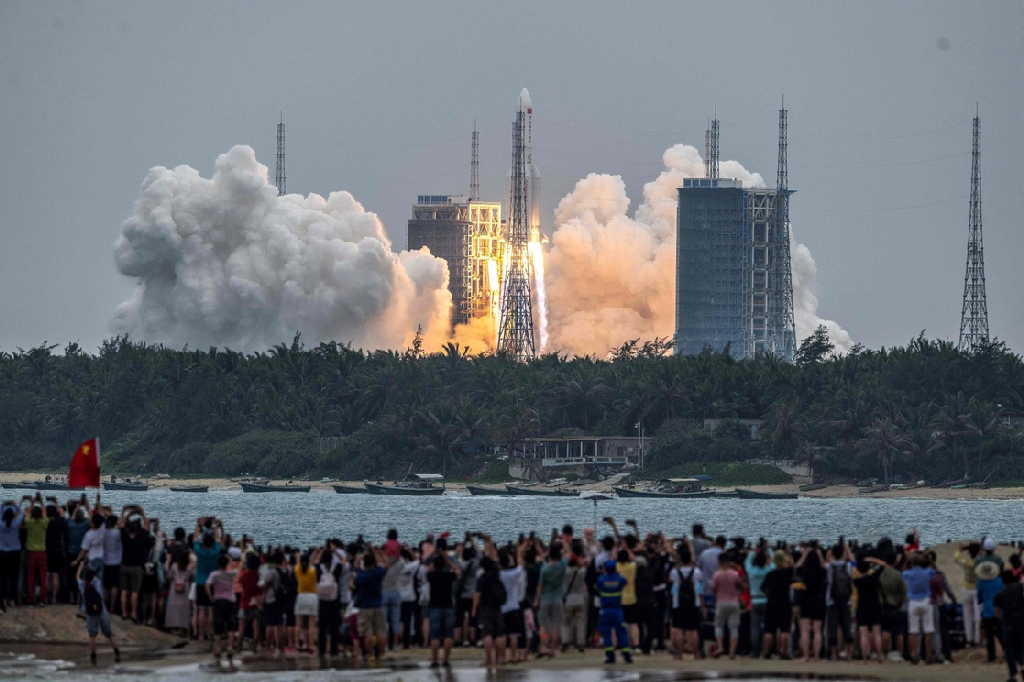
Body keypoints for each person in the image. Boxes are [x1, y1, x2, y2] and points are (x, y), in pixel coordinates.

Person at [473, 538, 507, 668]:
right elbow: (493, 556)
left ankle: (489, 660)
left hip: (485, 607)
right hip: (497, 605)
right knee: (499, 633)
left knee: (487, 634)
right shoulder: (497, 572)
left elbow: (477, 594)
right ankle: (500, 658)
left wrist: (474, 609)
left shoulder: (481, 576)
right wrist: (489, 542)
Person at [78, 563, 121, 665]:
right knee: (109, 634)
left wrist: (80, 567)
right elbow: (102, 594)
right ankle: (117, 652)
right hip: (102, 610)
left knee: (92, 635)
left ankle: (93, 656)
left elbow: (77, 577)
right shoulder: (97, 582)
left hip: (90, 612)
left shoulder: (81, 584)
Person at [352, 544, 388, 664]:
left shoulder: (361, 575)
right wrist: (377, 552)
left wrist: (360, 556)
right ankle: (381, 654)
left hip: (364, 607)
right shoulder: (378, 573)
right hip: (378, 605)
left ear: (365, 563)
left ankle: (370, 655)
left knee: (367, 633)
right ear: (374, 563)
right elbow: (387, 564)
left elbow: (355, 567)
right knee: (380, 632)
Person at [669, 541, 703, 660]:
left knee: (678, 629)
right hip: (694, 603)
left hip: (677, 603)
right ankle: (696, 653)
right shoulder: (697, 572)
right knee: (693, 630)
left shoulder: (674, 572)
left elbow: (670, 581)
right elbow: (699, 589)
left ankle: (679, 654)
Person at [595, 560, 633, 664]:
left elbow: (597, 587)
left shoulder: (601, 580)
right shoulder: (620, 579)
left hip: (605, 610)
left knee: (607, 633)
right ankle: (626, 655)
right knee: (621, 632)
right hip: (617, 610)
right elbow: (625, 582)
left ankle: (610, 656)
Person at [119, 507, 153, 622]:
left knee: (124, 591)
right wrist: (142, 513)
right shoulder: (142, 534)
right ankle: (133, 613)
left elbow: (121, 523)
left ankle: (124, 613)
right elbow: (147, 525)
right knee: (134, 592)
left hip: (124, 565)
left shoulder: (124, 534)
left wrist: (125, 512)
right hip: (137, 567)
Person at [901, 551, 936, 664]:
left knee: (913, 631)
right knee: (928, 629)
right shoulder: (927, 572)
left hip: (913, 602)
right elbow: (934, 569)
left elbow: (903, 570)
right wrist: (928, 559)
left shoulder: (908, 574)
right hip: (926, 600)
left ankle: (914, 654)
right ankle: (928, 656)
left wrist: (907, 560)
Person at [427, 552, 460, 667]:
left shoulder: (431, 575)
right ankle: (446, 660)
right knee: (448, 635)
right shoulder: (449, 576)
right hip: (448, 606)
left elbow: (428, 569)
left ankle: (434, 660)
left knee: (435, 636)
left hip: (435, 606)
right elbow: (457, 571)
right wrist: (448, 561)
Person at [710, 552, 746, 659]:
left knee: (719, 626)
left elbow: (713, 589)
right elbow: (742, 586)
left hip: (721, 602)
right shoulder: (734, 574)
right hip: (734, 603)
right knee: (734, 628)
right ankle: (732, 651)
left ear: (719, 562)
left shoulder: (716, 574)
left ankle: (720, 647)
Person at [192, 519, 223, 641]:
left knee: (200, 609)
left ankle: (200, 635)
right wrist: (215, 527)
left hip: (200, 581)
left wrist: (198, 526)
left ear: (203, 542)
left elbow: (195, 539)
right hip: (212, 583)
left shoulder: (199, 551)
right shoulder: (216, 551)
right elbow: (218, 539)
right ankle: (210, 633)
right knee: (210, 610)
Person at [795, 543, 827, 662]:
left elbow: (796, 566)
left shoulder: (804, 570)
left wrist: (805, 554)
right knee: (818, 630)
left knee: (805, 630)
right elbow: (824, 566)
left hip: (806, 600)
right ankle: (817, 657)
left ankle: (806, 656)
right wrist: (819, 554)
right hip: (818, 600)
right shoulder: (822, 571)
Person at [206, 554, 239, 667]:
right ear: (227, 564)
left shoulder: (214, 574)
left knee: (218, 625)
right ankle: (230, 647)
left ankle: (218, 648)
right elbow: (240, 565)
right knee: (231, 624)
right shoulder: (232, 573)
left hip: (218, 601)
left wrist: (211, 596)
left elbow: (207, 585)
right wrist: (230, 560)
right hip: (230, 600)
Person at [976, 539, 1006, 663]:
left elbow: (979, 598)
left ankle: (991, 656)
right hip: (998, 610)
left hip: (987, 610)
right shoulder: (999, 580)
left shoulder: (980, 581)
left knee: (989, 634)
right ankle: (1007, 652)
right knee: (1001, 633)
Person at [760, 549, 793, 659]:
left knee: (769, 630)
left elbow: (763, 588)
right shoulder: (788, 573)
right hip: (784, 603)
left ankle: (766, 652)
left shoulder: (770, 574)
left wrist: (769, 594)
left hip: (771, 603)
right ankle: (784, 652)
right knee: (785, 630)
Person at [536, 542, 567, 657]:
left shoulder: (544, 568)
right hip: (558, 599)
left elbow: (540, 586)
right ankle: (554, 648)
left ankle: (544, 646)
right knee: (556, 625)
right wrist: (564, 542)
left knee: (543, 625)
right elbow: (568, 553)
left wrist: (536, 600)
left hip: (545, 599)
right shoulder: (562, 565)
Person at [825, 540, 854, 660]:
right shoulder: (847, 566)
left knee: (833, 627)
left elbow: (826, 560)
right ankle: (849, 653)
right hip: (846, 599)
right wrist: (847, 548)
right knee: (847, 626)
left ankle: (833, 654)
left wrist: (830, 553)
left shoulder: (829, 566)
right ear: (843, 553)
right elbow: (853, 561)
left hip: (832, 600)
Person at [853, 556, 885, 663]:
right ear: (868, 568)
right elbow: (883, 565)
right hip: (875, 606)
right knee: (877, 632)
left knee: (863, 634)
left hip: (862, 607)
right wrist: (872, 560)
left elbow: (854, 566)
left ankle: (865, 658)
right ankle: (880, 655)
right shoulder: (874, 577)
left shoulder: (857, 581)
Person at [994, 569, 1024, 682]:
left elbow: (997, 613)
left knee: (1009, 650)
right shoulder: (1020, 588)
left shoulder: (999, 594)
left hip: (1008, 624)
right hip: (1021, 623)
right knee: (1021, 648)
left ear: (1003, 580)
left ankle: (1013, 675)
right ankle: (1022, 667)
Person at [744, 540, 771, 658]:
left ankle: (755, 652)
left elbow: (747, 561)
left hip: (754, 600)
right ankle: (766, 652)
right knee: (766, 628)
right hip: (766, 600)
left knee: (754, 628)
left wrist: (755, 551)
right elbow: (773, 562)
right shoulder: (768, 570)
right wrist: (767, 549)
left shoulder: (751, 571)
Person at [954, 541, 982, 646]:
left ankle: (969, 639)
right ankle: (977, 639)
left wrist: (961, 549)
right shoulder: (980, 562)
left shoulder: (965, 562)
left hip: (966, 589)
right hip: (977, 589)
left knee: (967, 616)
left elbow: (956, 557)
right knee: (977, 617)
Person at [315, 549, 342, 658]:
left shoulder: (318, 568)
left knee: (322, 627)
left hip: (322, 601)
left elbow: (314, 563)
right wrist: (335, 552)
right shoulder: (337, 568)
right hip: (334, 601)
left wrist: (319, 552)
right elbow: (342, 561)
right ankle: (334, 650)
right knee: (334, 627)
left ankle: (321, 650)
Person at [23, 497, 50, 605]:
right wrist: (42, 502)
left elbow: (28, 513)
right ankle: (42, 599)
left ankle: (31, 598)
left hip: (31, 552)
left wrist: (32, 502)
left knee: (31, 576)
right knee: (43, 577)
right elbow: (45, 513)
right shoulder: (44, 522)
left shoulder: (29, 522)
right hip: (42, 552)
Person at [0, 499, 25, 610]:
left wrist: (4, 504)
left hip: (2, 552)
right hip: (15, 552)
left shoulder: (1, 524)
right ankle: (13, 600)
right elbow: (22, 513)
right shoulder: (16, 523)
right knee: (14, 577)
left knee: (3, 577)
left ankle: (4, 599)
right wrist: (15, 505)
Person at [294, 552, 318, 652]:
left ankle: (299, 644)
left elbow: (298, 562)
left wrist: (299, 556)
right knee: (311, 624)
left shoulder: (297, 569)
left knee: (299, 623)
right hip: (312, 596)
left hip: (301, 596)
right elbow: (312, 564)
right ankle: (311, 645)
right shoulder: (313, 570)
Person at [163, 550, 193, 636]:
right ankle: (182, 628)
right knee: (184, 608)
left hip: (174, 587)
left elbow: (169, 576)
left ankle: (173, 627)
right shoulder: (190, 566)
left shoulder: (174, 565)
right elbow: (192, 576)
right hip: (185, 588)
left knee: (173, 608)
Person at [44, 502, 67, 605]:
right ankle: (54, 598)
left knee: (48, 574)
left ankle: (47, 597)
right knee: (55, 575)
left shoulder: (45, 521)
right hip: (57, 550)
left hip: (47, 550)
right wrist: (57, 504)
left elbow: (44, 514)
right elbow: (62, 515)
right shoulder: (60, 522)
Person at [102, 514, 123, 613]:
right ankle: (112, 607)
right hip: (116, 562)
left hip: (105, 561)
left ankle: (105, 605)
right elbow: (122, 526)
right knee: (114, 586)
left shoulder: (103, 532)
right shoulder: (118, 532)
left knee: (106, 586)